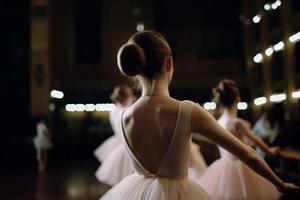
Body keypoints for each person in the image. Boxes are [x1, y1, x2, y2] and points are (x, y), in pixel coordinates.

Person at [100, 30, 299, 200]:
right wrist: (279, 183)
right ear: (169, 64)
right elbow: (247, 153)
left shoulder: (124, 116)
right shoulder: (187, 111)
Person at [198, 79, 284, 200]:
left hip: (222, 166)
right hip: (240, 166)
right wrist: (269, 150)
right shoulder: (237, 123)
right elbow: (256, 140)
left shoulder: (218, 121)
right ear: (237, 98)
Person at [94, 85, 136, 185]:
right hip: (127, 144)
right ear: (127, 96)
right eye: (131, 95)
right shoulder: (127, 111)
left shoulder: (113, 110)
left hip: (119, 142)